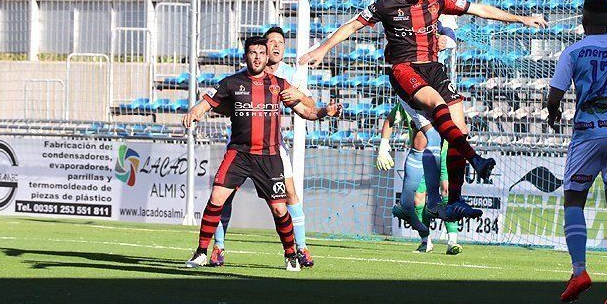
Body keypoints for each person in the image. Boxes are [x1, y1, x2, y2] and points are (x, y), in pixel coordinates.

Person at [300, 0, 546, 221]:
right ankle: (474, 160)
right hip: (404, 69)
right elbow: (352, 25)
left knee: (460, 130)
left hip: (434, 68)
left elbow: (480, 10)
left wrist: (521, 18)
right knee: (438, 107)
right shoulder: (386, 5)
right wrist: (323, 48)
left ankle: (454, 201)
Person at [183, 36, 340, 271]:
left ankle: (290, 254)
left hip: (269, 156)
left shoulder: (279, 84)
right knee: (216, 198)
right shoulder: (231, 83)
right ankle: (201, 252)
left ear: (267, 57)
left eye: (261, 53)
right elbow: (207, 102)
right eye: (252, 53)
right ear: (246, 56)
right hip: (238, 154)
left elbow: (306, 112)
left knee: (279, 208)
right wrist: (195, 110)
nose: (257, 57)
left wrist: (324, 112)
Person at [546, 0, 607, 304]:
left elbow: (555, 93)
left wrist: (553, 113)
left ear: (584, 20)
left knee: (574, 196)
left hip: (589, 133)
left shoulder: (573, 51)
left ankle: (579, 271)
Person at [210, 26, 317, 269]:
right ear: (263, 49)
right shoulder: (243, 76)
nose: (277, 46)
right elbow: (219, 104)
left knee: (288, 196)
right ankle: (218, 247)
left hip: (273, 148)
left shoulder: (289, 75)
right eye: (272, 42)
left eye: (281, 42)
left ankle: (301, 248)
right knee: (224, 196)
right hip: (241, 147)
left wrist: (297, 98)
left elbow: (309, 103)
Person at [377, 100, 461, 254]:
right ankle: (425, 241)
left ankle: (452, 242)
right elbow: (389, 120)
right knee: (417, 200)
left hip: (443, 153)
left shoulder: (437, 100)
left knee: (446, 192)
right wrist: (383, 147)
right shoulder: (406, 104)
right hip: (421, 158)